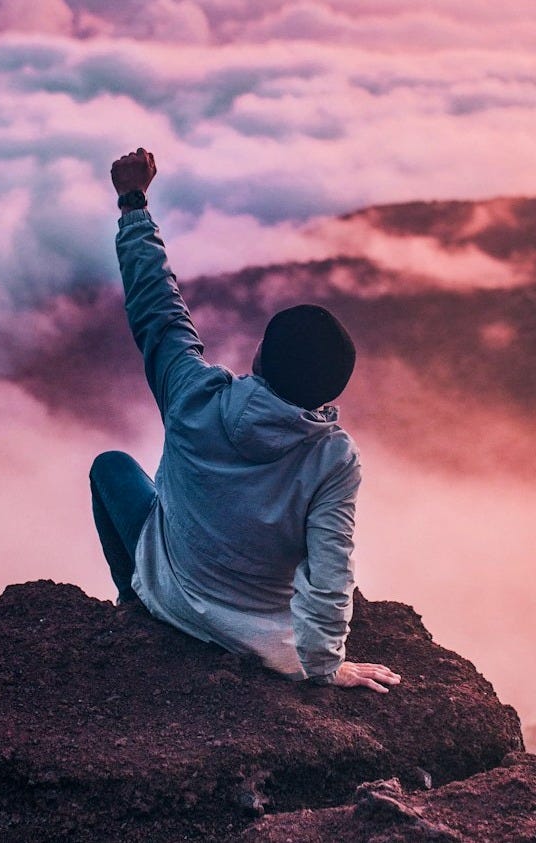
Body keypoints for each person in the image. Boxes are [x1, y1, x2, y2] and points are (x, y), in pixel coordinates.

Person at [89, 148, 400, 694]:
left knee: (111, 468)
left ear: (260, 357)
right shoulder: (333, 458)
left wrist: (133, 205)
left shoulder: (193, 394)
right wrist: (325, 666)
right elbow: (332, 571)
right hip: (261, 640)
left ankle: (133, 600)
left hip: (172, 597)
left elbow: (158, 311)